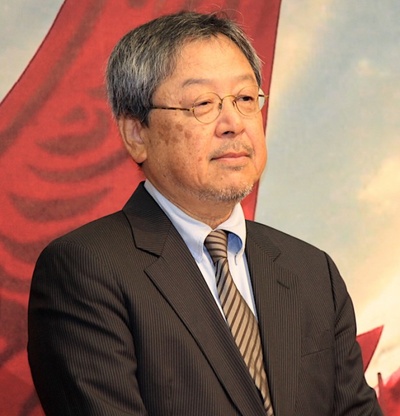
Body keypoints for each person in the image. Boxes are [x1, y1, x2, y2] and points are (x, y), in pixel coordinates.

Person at [28, 10, 383, 416]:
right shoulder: (85, 270)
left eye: (245, 99)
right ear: (137, 134)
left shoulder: (312, 271)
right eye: (203, 104)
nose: (233, 123)